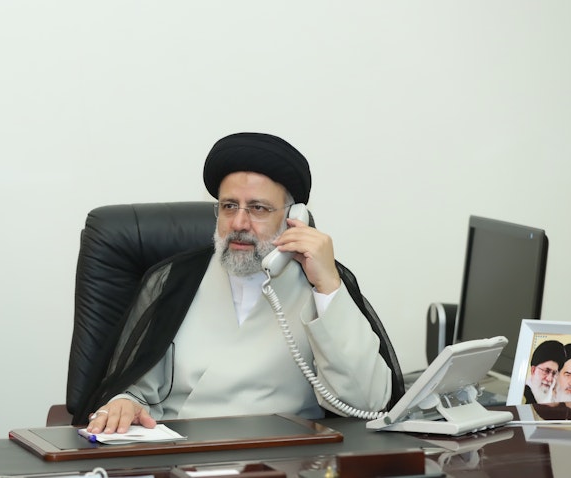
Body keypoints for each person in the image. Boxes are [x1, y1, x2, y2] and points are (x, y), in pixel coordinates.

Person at [82, 132, 397, 434]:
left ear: (295, 216)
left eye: (258, 208)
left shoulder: (320, 284)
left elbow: (366, 403)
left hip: (287, 460)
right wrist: (123, 402)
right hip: (181, 456)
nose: (239, 223)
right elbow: (138, 389)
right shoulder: (174, 279)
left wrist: (327, 285)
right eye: (229, 206)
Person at [522, 340, 564, 404]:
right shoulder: (522, 396)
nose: (549, 379)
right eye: (546, 371)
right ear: (533, 370)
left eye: (554, 373)